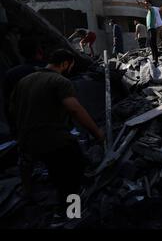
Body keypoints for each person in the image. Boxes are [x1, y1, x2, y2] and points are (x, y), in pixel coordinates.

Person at [9, 49, 104, 203]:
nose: (71, 70)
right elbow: (74, 109)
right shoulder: (60, 81)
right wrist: (97, 133)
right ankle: (69, 213)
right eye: (71, 66)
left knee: (55, 170)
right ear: (65, 64)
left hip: (25, 140)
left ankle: (36, 195)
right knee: (74, 173)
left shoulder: (24, 81)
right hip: (53, 140)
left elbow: (12, 110)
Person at [3, 38, 46, 133]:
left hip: (25, 129)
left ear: (20, 52)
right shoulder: (54, 71)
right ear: (40, 51)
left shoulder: (12, 74)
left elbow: (8, 105)